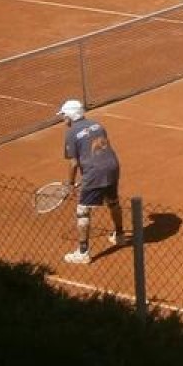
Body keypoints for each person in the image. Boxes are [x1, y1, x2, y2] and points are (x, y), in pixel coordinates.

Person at [57, 99, 125, 265]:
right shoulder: (97, 125)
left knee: (83, 211)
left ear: (71, 116)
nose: (63, 118)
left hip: (94, 173)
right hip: (112, 166)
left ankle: (83, 252)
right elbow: (96, 151)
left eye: (64, 115)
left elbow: (74, 163)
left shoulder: (71, 133)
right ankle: (120, 235)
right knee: (113, 202)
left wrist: (70, 184)